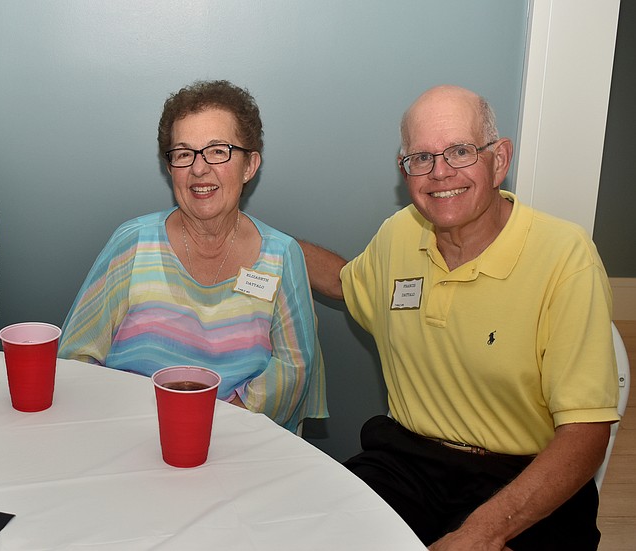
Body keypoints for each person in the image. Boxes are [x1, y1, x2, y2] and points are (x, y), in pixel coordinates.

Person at [300, 85, 619, 550]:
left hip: (523, 474)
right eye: (421, 157)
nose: (440, 172)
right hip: (407, 460)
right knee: (307, 531)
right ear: (404, 169)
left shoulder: (565, 258)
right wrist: (255, 239)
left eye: (460, 151)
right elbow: (347, 284)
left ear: (499, 159)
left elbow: (587, 434)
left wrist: (481, 534)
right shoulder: (400, 233)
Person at [59, 80, 327, 432]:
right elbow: (76, 356)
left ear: (250, 165)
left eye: (218, 151)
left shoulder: (282, 255)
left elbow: (293, 366)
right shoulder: (133, 243)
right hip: (130, 434)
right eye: (184, 153)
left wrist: (223, 420)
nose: (199, 169)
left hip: (238, 439)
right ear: (170, 168)